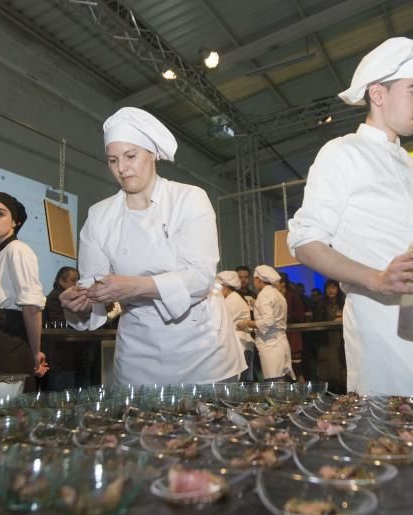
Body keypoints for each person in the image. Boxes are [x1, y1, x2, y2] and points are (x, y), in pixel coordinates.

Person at [288, 36, 413, 395]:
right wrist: (376, 279)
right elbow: (305, 243)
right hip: (387, 328)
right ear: (378, 94)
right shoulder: (342, 153)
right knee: (399, 438)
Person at [60, 107, 245, 386]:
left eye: (130, 156)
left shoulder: (189, 199)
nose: (121, 168)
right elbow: (94, 292)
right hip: (138, 357)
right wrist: (79, 305)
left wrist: (134, 286)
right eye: (112, 160)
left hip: (203, 352)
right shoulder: (100, 216)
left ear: (153, 154)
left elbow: (200, 278)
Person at [0, 192, 48, 392]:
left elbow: (31, 307)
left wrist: (35, 352)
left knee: (10, 414)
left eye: (0, 213)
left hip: (7, 347)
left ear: (15, 221)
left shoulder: (17, 250)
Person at [238, 265, 294, 381]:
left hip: (270, 344)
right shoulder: (277, 294)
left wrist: (246, 322)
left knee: (274, 383)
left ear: (258, 279)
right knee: (280, 381)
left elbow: (268, 322)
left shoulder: (264, 295)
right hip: (280, 342)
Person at [41, 266, 84, 391]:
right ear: (61, 281)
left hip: (67, 357)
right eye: (73, 280)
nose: (77, 284)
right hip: (61, 357)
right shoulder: (56, 297)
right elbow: (60, 324)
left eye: (78, 281)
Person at [216, 270, 255, 381]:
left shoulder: (232, 301)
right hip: (239, 345)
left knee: (238, 383)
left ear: (224, 286)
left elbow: (220, 324)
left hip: (240, 346)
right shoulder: (232, 298)